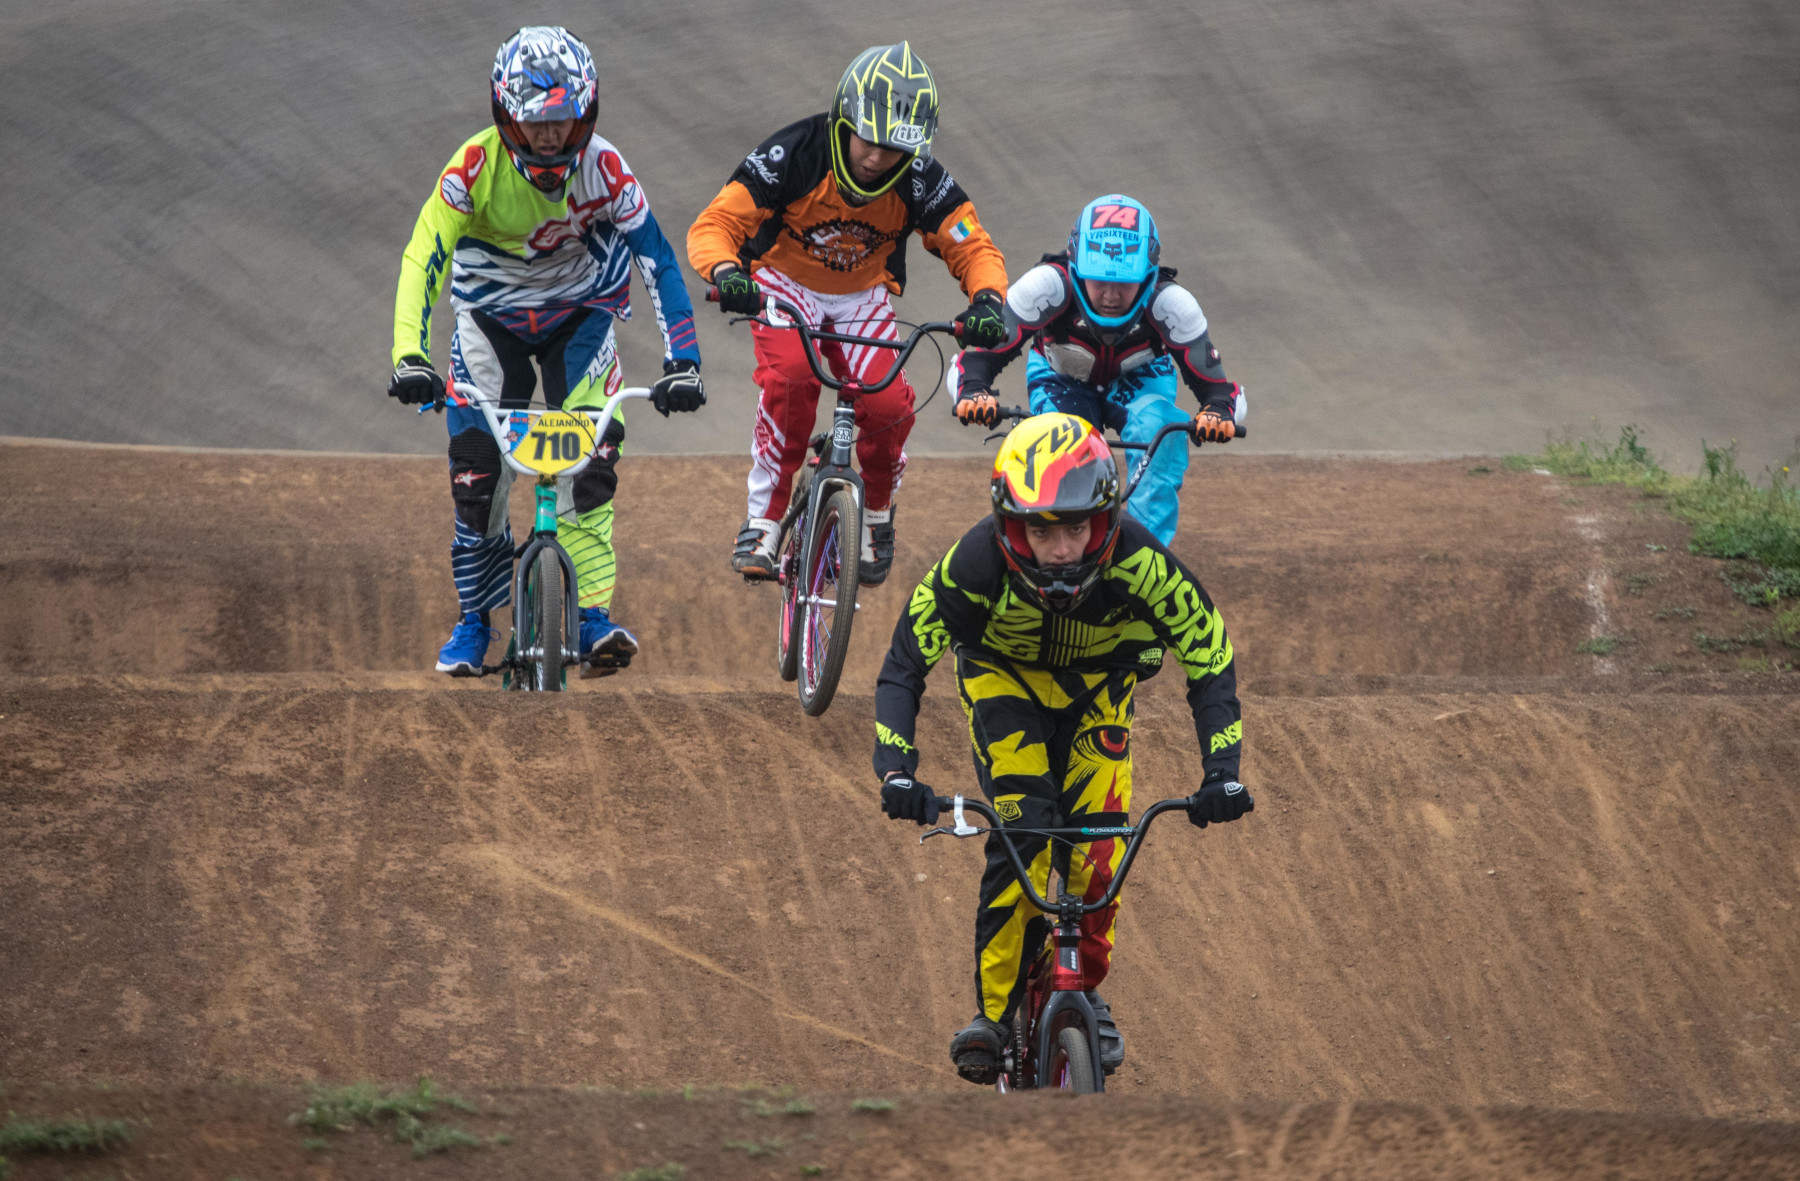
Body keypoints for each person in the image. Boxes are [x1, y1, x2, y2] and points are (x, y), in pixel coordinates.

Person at [871, 412, 1252, 1083]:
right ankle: (993, 1015)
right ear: (1008, 524)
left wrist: (1222, 772)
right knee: (1026, 831)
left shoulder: (1141, 563)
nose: (1061, 550)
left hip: (1098, 690)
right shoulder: (973, 565)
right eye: (1041, 530)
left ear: (1104, 520)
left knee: (1099, 855)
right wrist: (896, 770)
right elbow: (905, 662)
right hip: (1004, 682)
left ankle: (1082, 987)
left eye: (1076, 527)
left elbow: (1209, 654)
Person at [387, 26, 705, 677]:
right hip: (489, 321)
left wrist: (684, 360)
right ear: (507, 116)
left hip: (580, 318)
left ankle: (589, 617)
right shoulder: (472, 169)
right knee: (478, 475)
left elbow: (657, 258)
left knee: (593, 464)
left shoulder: (606, 169)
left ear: (586, 111)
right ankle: (475, 620)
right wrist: (409, 354)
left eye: (562, 119)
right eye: (536, 122)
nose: (552, 135)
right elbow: (424, 256)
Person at [687, 40, 1010, 586]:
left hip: (862, 294)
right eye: (868, 139)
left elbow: (972, 244)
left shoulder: (920, 177)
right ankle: (765, 519)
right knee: (791, 379)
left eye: (894, 148)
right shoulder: (794, 153)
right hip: (782, 283)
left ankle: (877, 514)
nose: (878, 158)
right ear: (844, 119)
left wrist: (988, 299)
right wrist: (725, 272)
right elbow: (715, 223)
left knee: (887, 405)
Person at [949, 195, 1243, 546]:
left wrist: (1216, 412)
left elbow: (1220, 390)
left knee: (1161, 430)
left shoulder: (1172, 304)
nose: (1110, 296)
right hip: (1060, 378)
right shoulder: (1045, 286)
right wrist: (974, 391)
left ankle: (1147, 552)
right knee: (1059, 446)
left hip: (1143, 379)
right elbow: (978, 360)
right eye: (1098, 280)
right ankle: (1067, 551)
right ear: (1075, 268)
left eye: (1124, 283)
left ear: (1149, 277)